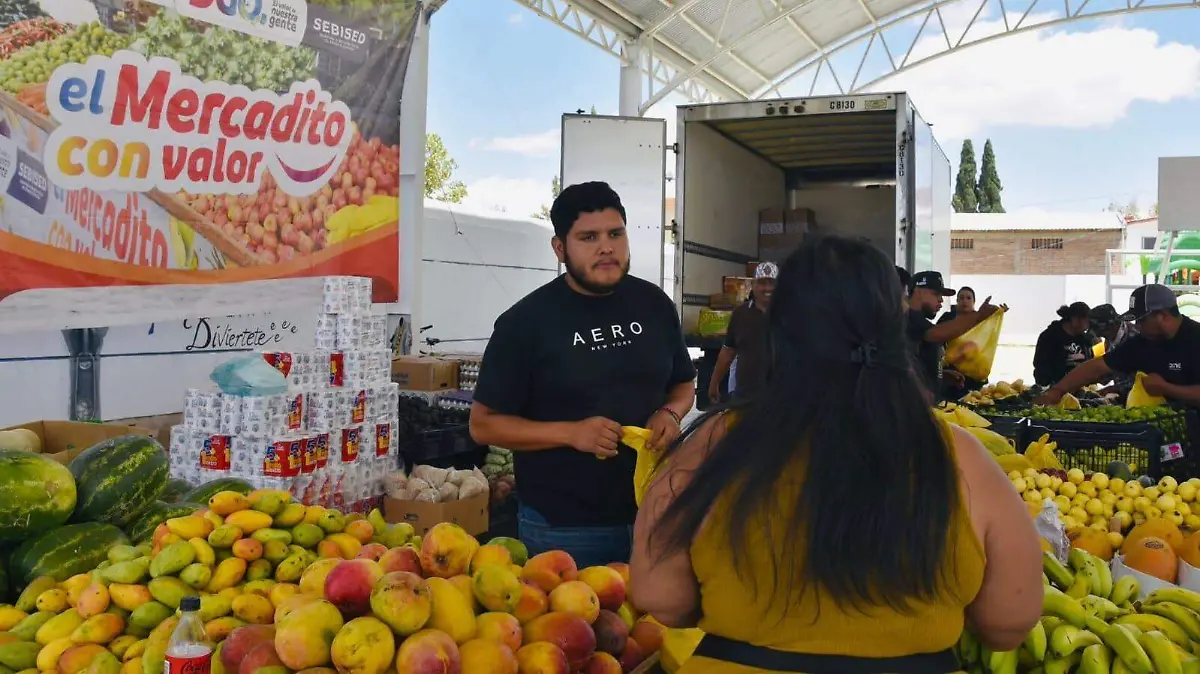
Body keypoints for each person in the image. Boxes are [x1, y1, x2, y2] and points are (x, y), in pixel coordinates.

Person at [630, 236, 1043, 672]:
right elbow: (1008, 623)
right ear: (893, 328)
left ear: (781, 329)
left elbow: (661, 599)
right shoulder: (961, 457)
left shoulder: (710, 444)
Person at [468, 181, 696, 568]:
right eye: (588, 237)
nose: (606, 247)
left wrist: (671, 413)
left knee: (658, 629)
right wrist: (571, 433)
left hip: (657, 514)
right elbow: (484, 426)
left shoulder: (654, 304)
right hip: (566, 528)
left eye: (615, 233)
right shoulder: (525, 323)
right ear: (560, 248)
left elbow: (682, 384)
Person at [1036, 284, 1200, 408]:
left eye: (1141, 320)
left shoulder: (1194, 338)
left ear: (1162, 316)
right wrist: (1057, 391)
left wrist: (1166, 388)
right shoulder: (1144, 343)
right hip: (1164, 429)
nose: (1137, 326)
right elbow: (1098, 366)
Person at [907, 271, 1001, 398]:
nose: (941, 300)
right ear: (918, 291)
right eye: (936, 294)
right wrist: (978, 316)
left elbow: (919, 362)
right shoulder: (908, 319)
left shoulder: (920, 321)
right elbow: (934, 334)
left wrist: (940, 374)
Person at [708, 262, 777, 403]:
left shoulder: (791, 313)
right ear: (753, 285)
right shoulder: (740, 314)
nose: (767, 288)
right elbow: (728, 352)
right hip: (745, 395)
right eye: (762, 283)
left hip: (780, 396)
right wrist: (714, 383)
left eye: (772, 283)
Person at [1032, 302, 1094, 387]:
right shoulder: (1050, 336)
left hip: (1081, 389)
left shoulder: (1084, 339)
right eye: (1087, 322)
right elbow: (1041, 366)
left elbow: (1090, 363)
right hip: (1054, 389)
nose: (1088, 327)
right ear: (1075, 320)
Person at [1089, 304, 1136, 398]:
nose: (1102, 336)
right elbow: (1115, 366)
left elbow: (1142, 378)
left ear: (1113, 325)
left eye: (1102, 333)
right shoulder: (1110, 338)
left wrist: (1113, 388)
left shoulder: (1135, 339)